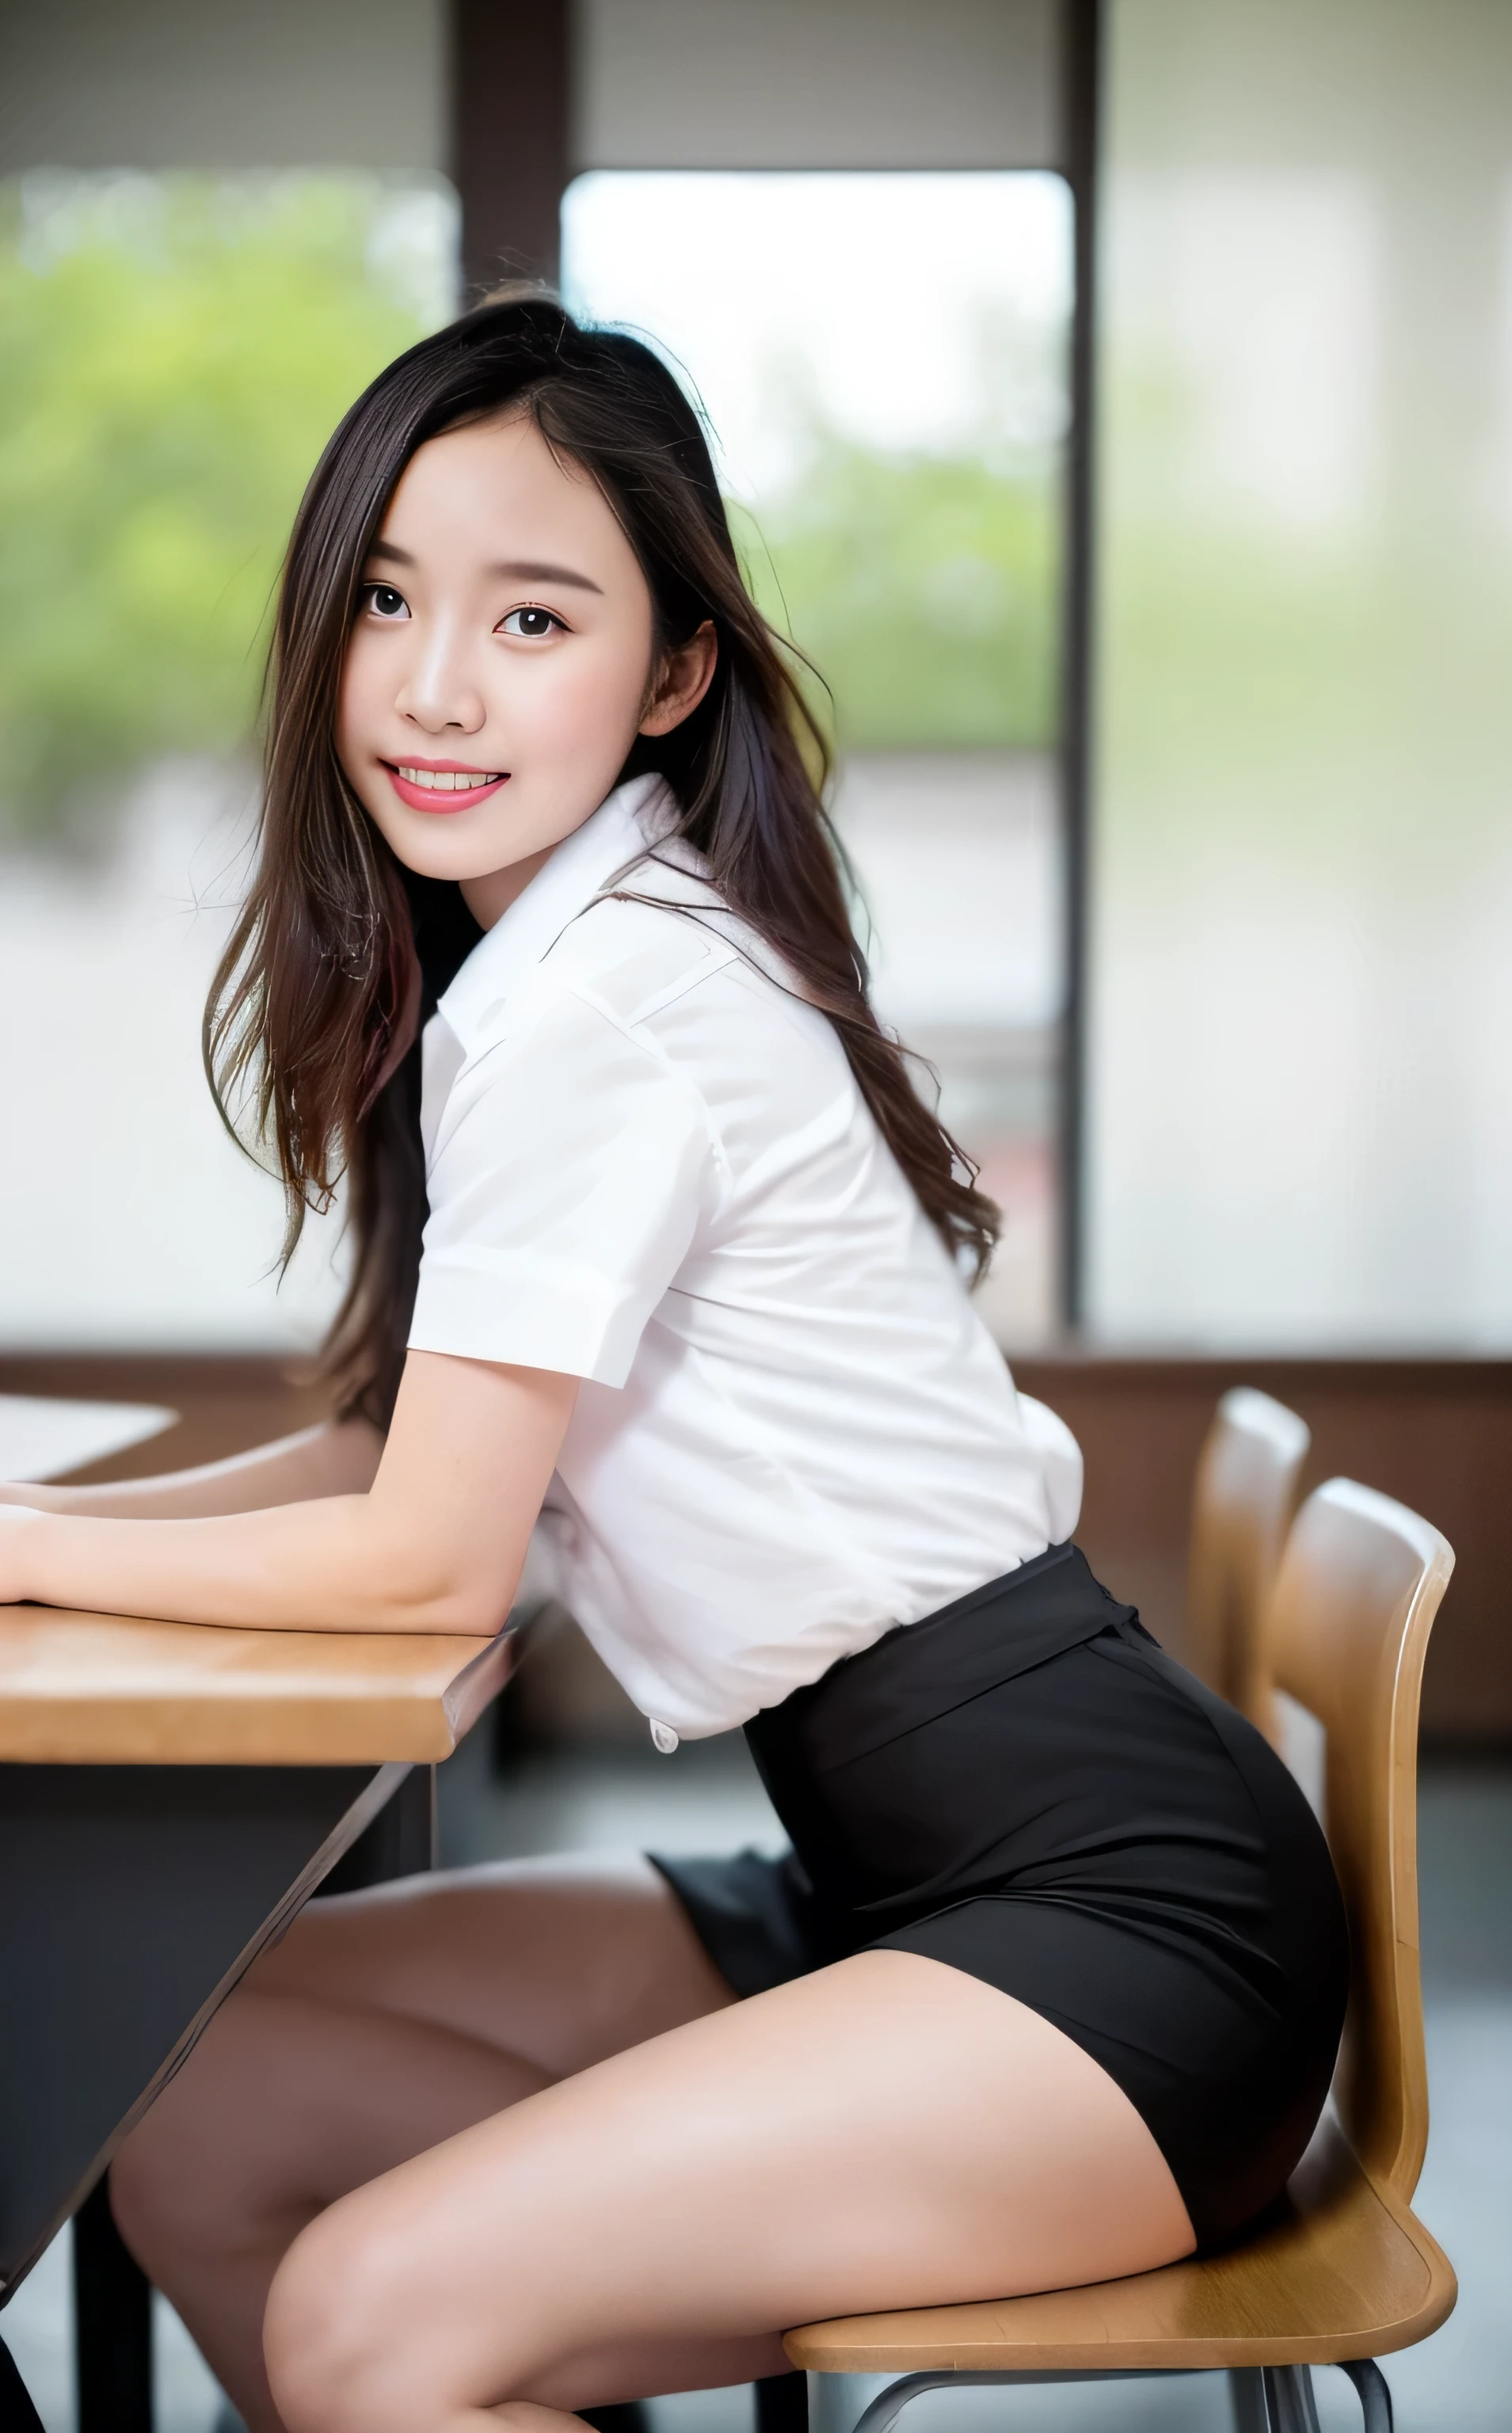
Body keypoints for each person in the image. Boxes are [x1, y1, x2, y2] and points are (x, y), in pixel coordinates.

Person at [0, 296, 1347, 2433]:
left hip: (1112, 1942)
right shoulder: (562, 970)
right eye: (383, 599)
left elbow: (431, 1568)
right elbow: (390, 1453)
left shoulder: (610, 1007)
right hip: (882, 1873)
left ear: (674, 668)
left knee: (373, 2318)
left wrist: (34, 1562)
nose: (435, 684)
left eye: (533, 618)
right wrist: (39, 1533)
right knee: (189, 2105)